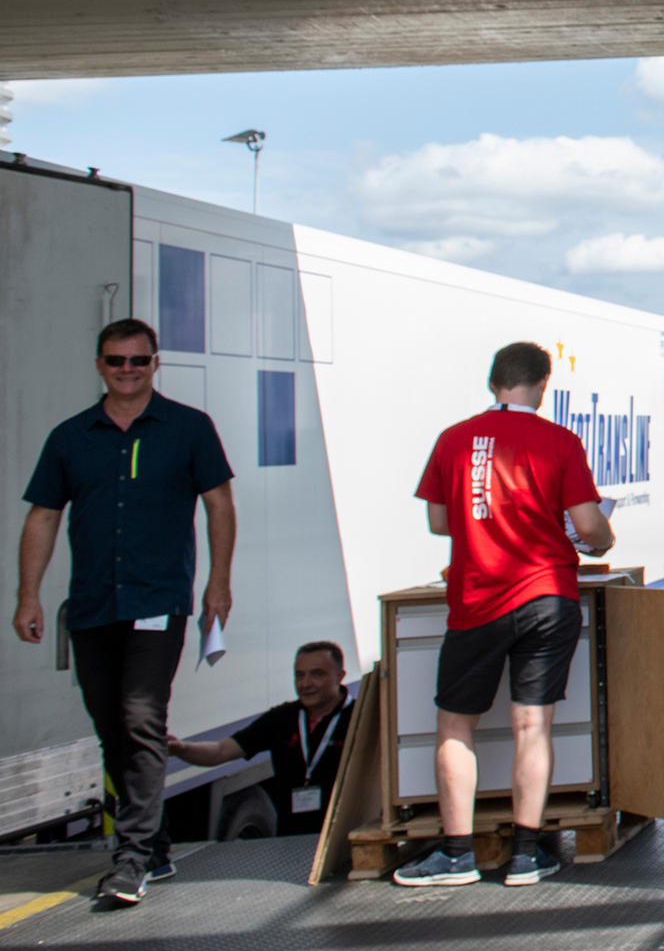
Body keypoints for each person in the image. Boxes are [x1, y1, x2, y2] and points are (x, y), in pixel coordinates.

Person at [13, 317, 238, 907]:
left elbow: (219, 505)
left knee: (140, 715)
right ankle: (156, 841)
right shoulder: (70, 437)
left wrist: (219, 582)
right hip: (92, 603)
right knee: (110, 722)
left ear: (155, 363)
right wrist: (28, 594)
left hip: (158, 601)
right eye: (117, 361)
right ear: (99, 366)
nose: (128, 371)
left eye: (139, 361)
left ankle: (131, 857)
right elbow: (43, 515)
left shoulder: (189, 428)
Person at [395, 341, 614, 888]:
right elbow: (588, 527)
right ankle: (526, 853)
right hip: (546, 595)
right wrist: (604, 540)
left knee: (454, 725)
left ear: (493, 383)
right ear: (543, 384)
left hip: (476, 599)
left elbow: (440, 524)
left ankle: (454, 852)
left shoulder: (453, 439)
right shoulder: (559, 441)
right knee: (531, 725)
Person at [170, 639, 351, 836]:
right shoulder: (282, 718)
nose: (305, 684)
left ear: (340, 676)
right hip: (292, 839)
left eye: (317, 674)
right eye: (299, 675)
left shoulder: (361, 716)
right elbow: (220, 751)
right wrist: (182, 749)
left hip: (345, 836)